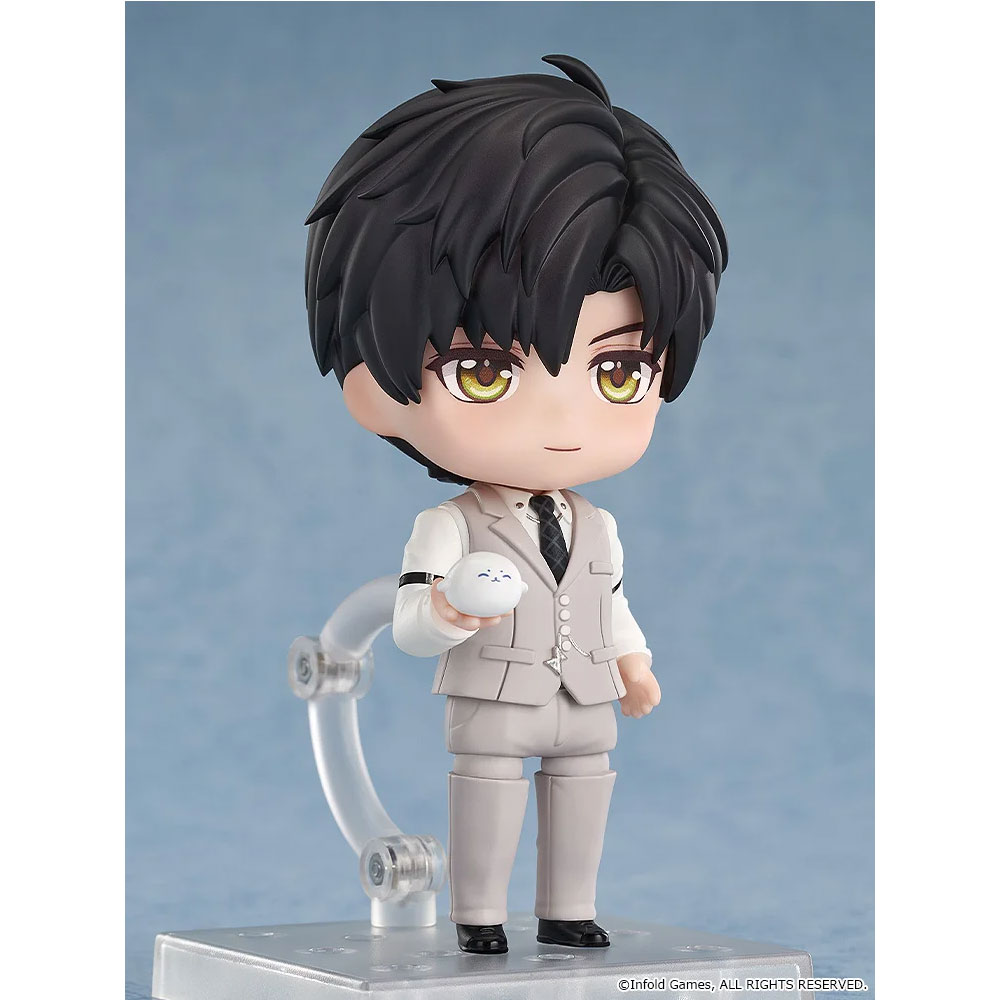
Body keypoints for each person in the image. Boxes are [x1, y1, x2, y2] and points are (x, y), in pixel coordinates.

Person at [304, 54, 728, 954]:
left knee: (584, 791)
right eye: (487, 371)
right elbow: (409, 620)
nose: (563, 424)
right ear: (375, 388)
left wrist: (635, 663)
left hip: (584, 691)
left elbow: (611, 601)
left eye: (620, 372)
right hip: (494, 692)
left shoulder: (597, 524)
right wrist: (447, 613)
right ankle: (480, 916)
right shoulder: (450, 526)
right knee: (489, 796)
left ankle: (569, 908)